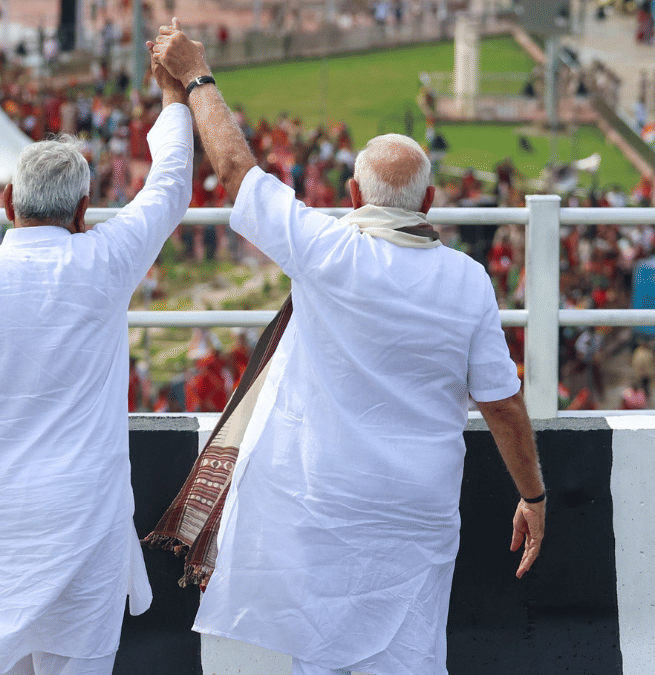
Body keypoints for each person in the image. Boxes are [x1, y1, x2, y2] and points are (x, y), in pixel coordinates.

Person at [150, 21, 545, 675]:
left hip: (327, 502)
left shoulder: (325, 249)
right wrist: (533, 497)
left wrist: (196, 78)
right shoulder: (468, 281)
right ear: (431, 203)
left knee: (323, 657)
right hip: (419, 512)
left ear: (355, 198)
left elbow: (234, 171)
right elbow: (501, 405)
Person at [0, 57, 193, 675]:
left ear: (5, 204)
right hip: (84, 535)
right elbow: (172, 182)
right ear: (82, 213)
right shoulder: (104, 261)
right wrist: (173, 98)